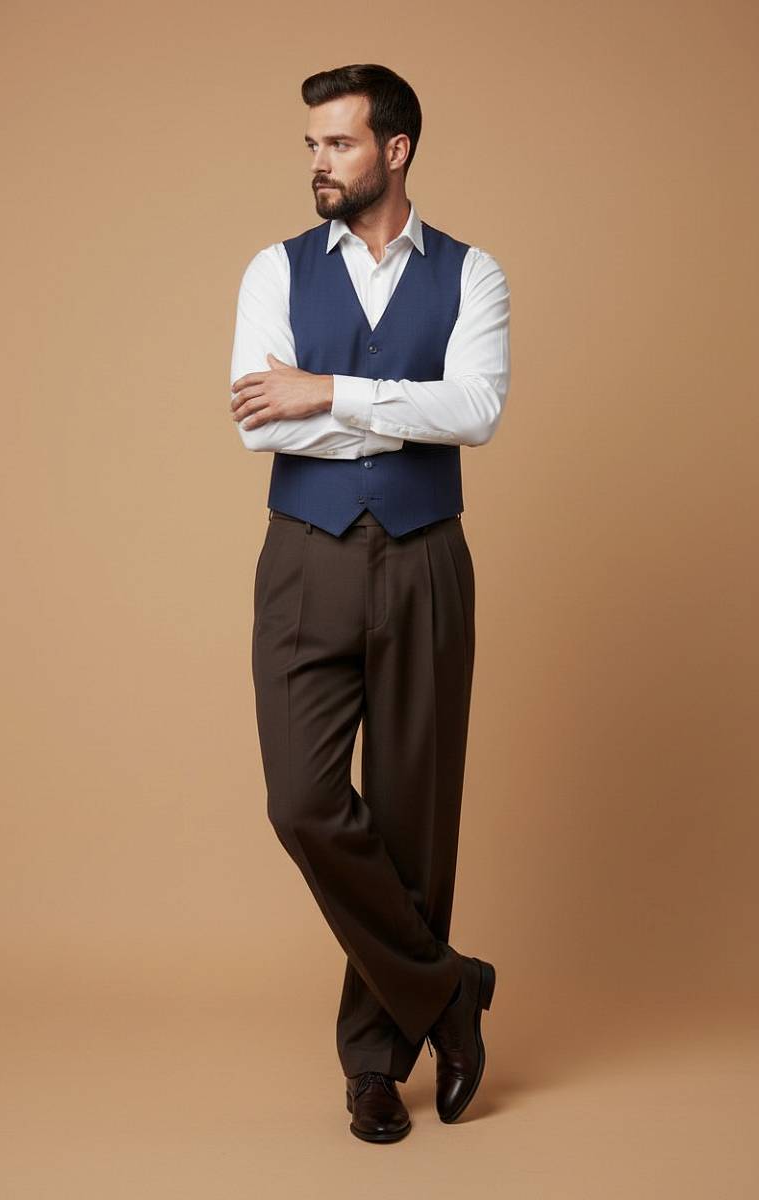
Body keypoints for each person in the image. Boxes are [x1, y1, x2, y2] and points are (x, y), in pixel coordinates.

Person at [229, 63, 509, 1143]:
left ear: (395, 150)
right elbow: (259, 420)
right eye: (311, 144)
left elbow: (475, 410)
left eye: (337, 143)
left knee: (410, 819)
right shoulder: (275, 269)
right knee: (303, 803)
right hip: (306, 559)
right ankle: (447, 989)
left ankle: (372, 1067)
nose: (317, 162)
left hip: (428, 558)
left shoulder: (473, 273)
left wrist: (331, 392)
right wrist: (397, 411)